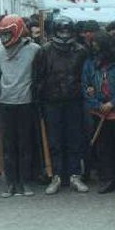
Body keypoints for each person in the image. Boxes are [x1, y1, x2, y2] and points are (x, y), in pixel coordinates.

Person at [34, 16, 89, 195]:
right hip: (51, 102)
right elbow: (38, 77)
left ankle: (75, 175)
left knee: (75, 139)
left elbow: (85, 76)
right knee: (55, 140)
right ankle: (56, 175)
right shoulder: (44, 51)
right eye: (61, 31)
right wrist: (39, 100)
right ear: (54, 31)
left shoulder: (81, 51)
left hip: (74, 101)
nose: (64, 35)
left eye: (67, 31)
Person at [82, 31, 115, 196]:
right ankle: (108, 179)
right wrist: (99, 105)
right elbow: (85, 87)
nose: (95, 51)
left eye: (98, 48)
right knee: (104, 147)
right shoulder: (90, 63)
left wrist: (113, 103)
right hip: (99, 112)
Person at [0, 15, 41, 197]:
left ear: (18, 31)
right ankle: (10, 183)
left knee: (25, 145)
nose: (4, 39)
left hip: (26, 103)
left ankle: (25, 182)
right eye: (2, 35)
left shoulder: (34, 50)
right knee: (8, 146)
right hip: (6, 104)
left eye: (8, 34)